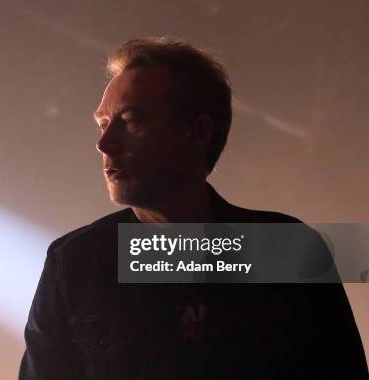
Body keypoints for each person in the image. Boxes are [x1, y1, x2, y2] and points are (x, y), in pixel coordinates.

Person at [19, 37, 367, 379]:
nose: (104, 144)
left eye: (131, 120)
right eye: (103, 124)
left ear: (198, 131)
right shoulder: (74, 262)